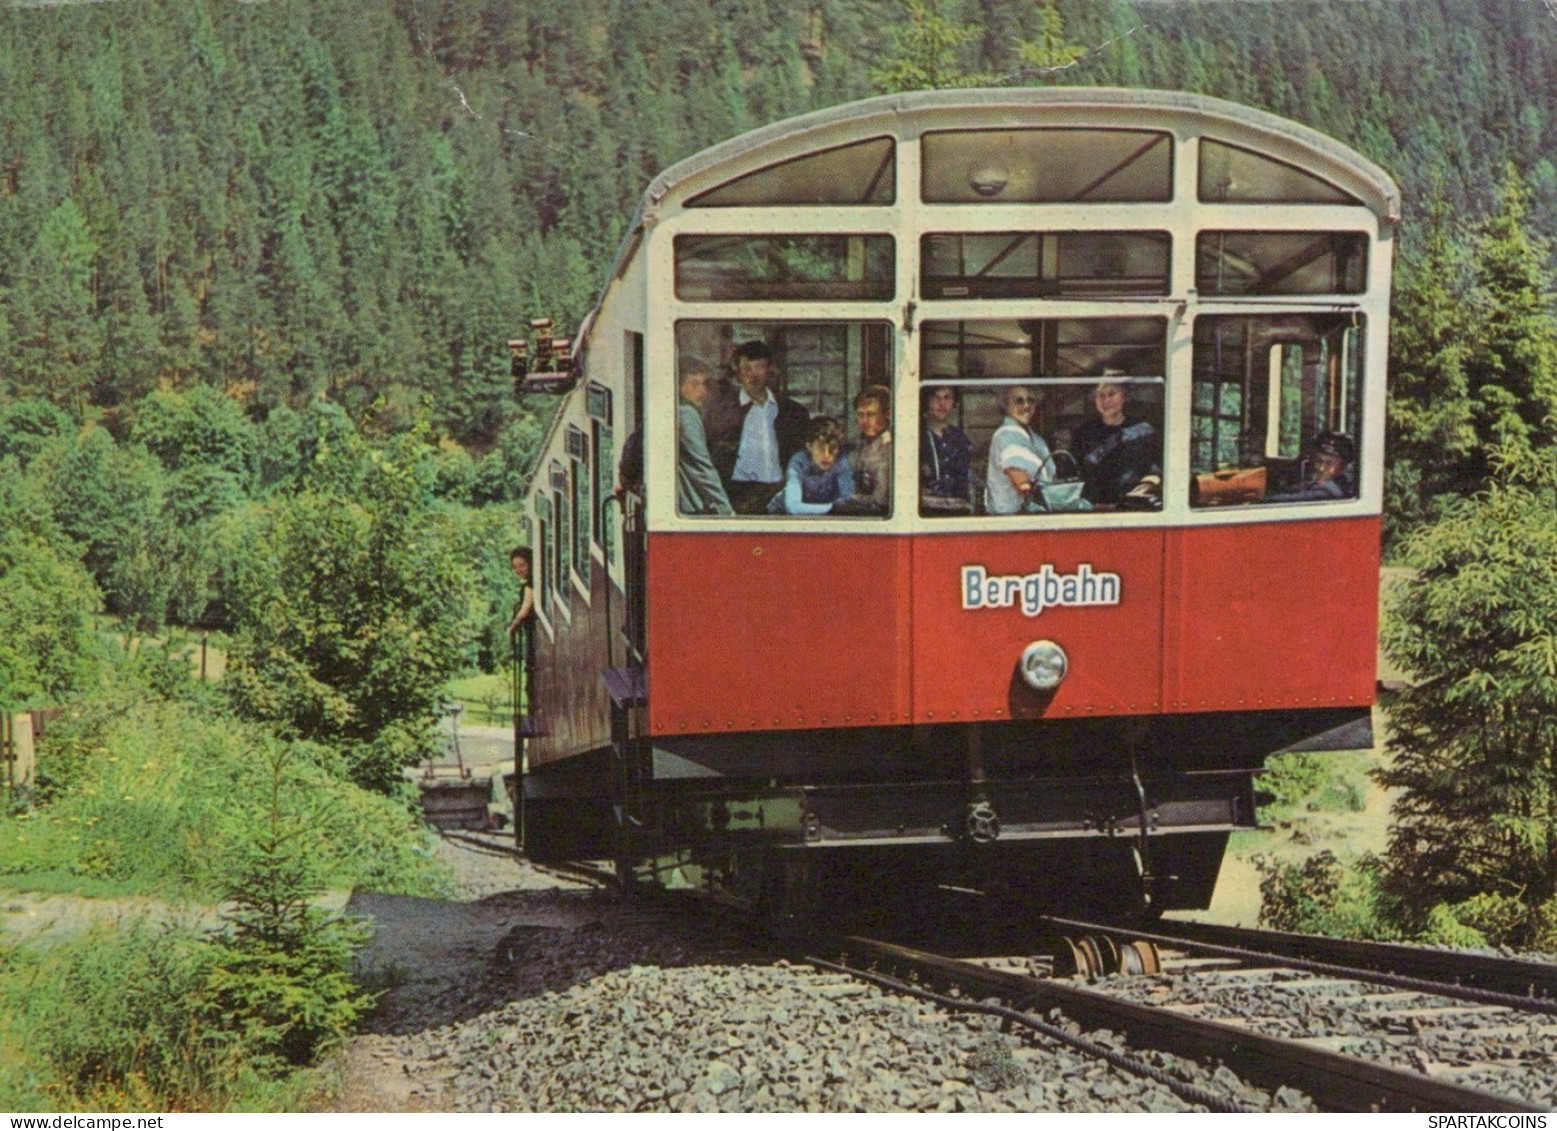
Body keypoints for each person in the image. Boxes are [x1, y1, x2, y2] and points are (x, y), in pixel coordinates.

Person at [705, 340, 810, 514]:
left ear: (769, 370)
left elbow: (802, 459)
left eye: (759, 367)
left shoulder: (794, 412)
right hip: (735, 496)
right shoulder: (721, 412)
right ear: (738, 372)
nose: (753, 375)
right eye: (747, 369)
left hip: (779, 495)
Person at [1071, 375, 1160, 507]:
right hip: (1091, 508)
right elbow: (1073, 474)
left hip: (1132, 507)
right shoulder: (1083, 432)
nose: (1106, 400)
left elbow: (1156, 472)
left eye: (1112, 394)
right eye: (1100, 395)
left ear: (1124, 396)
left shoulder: (1143, 431)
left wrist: (1145, 487)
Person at [675, 357, 734, 516]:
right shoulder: (687, 415)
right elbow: (701, 467)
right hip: (690, 507)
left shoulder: (675, 410)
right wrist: (726, 510)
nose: (702, 391)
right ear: (678, 385)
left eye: (704, 384)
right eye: (694, 384)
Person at [985, 385, 1053, 515]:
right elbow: (1023, 485)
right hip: (1010, 521)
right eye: (1019, 401)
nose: (1026, 405)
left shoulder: (1037, 439)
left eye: (1031, 400)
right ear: (1006, 406)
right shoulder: (1006, 435)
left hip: (1037, 516)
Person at [770, 417, 855, 515]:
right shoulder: (799, 462)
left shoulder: (841, 461)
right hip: (780, 516)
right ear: (809, 447)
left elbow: (848, 503)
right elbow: (792, 506)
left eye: (833, 448)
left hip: (822, 516)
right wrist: (832, 508)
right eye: (820, 447)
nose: (827, 455)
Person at [920, 384, 972, 510]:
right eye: (935, 398)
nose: (942, 403)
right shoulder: (918, 437)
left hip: (957, 508)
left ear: (954, 403)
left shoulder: (960, 438)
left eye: (947, 398)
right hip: (927, 510)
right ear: (927, 402)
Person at [847, 384, 892, 514]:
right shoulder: (856, 444)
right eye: (861, 415)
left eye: (871, 414)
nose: (864, 421)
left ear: (887, 414)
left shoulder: (893, 447)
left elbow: (880, 500)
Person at [1276, 430, 1357, 501]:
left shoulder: (1328, 490)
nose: (1321, 468)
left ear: (1342, 467)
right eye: (1319, 461)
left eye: (1329, 464)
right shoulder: (1313, 483)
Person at [506, 546, 535, 669]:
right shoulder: (532, 581)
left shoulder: (531, 583)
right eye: (515, 566)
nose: (518, 570)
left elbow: (525, 607)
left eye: (522, 565)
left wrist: (513, 626)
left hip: (534, 635)